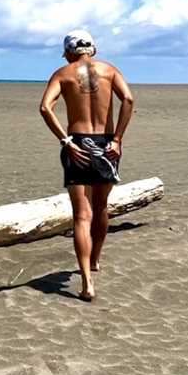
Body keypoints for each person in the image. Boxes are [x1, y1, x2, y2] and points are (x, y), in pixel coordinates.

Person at [39, 30, 134, 302]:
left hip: (78, 142)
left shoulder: (63, 73)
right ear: (93, 49)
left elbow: (45, 108)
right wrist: (117, 139)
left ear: (69, 52)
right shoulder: (110, 70)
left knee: (82, 215)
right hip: (106, 144)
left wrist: (66, 141)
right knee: (101, 206)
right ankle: (95, 260)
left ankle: (87, 283)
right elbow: (128, 99)